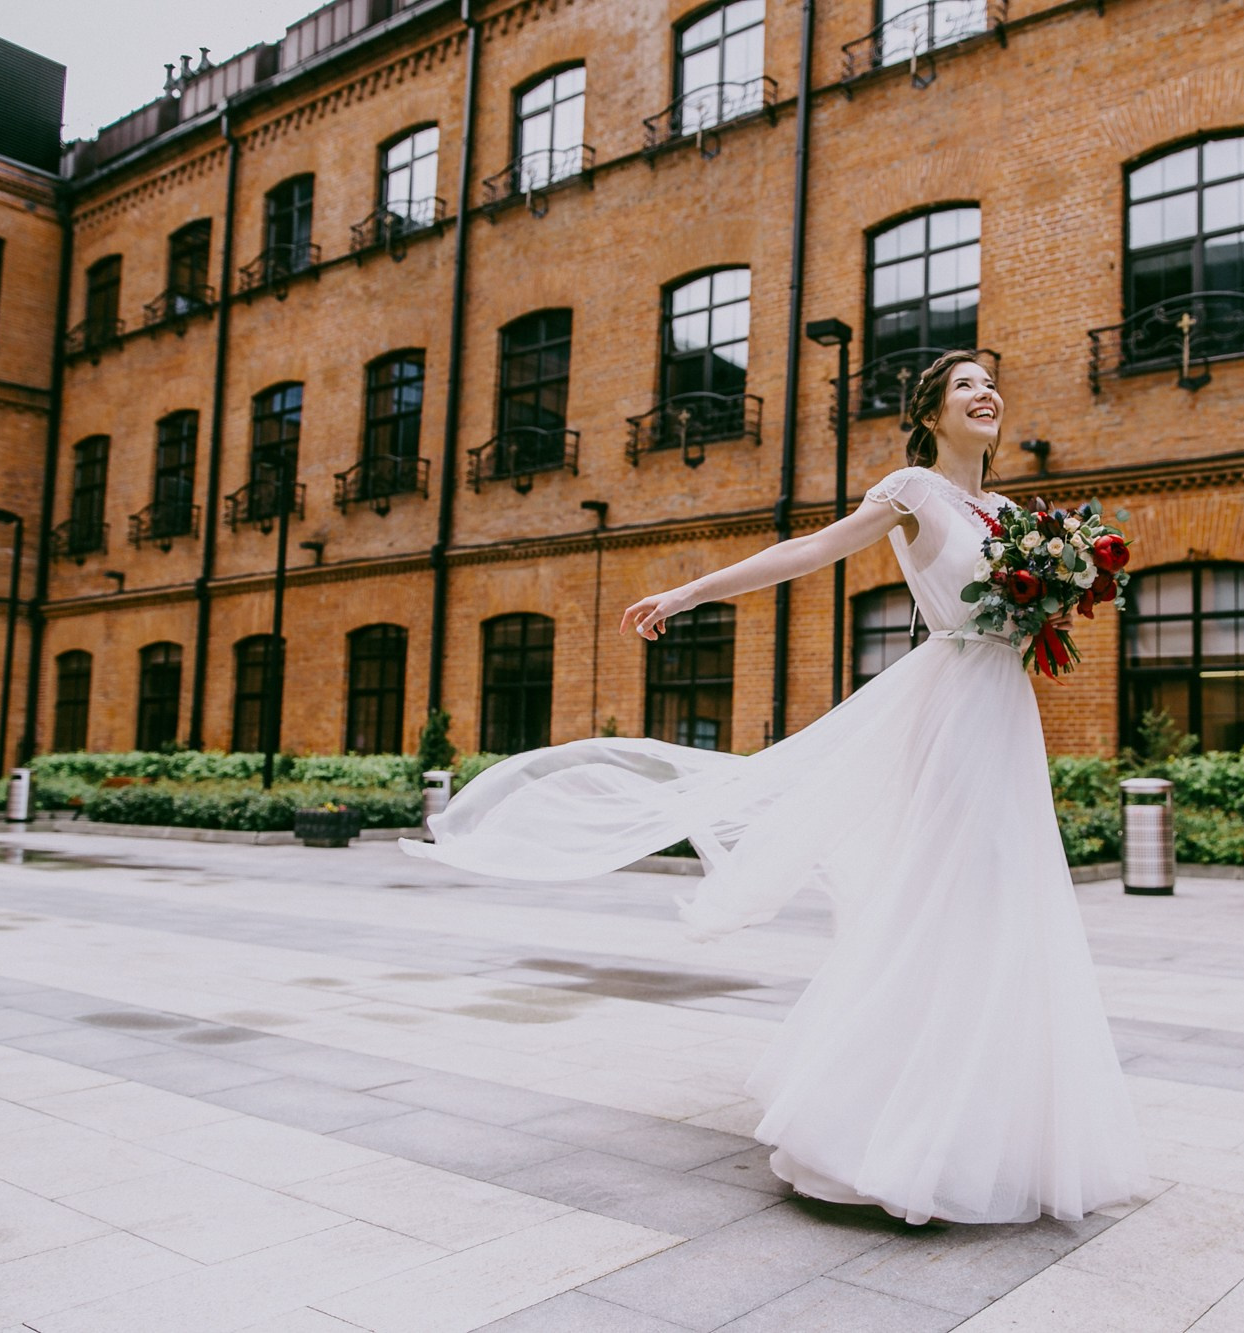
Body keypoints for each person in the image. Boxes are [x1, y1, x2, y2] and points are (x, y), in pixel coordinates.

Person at [404, 351, 1149, 1224]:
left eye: (993, 380)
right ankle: (887, 1126)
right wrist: (691, 591)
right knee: (943, 896)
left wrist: (1060, 588)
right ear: (932, 413)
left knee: (1006, 900)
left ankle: (997, 1132)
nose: (987, 391)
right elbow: (811, 549)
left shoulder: (1016, 514)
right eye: (965, 385)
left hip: (1004, 714)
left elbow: (1031, 622)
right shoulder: (913, 489)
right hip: (947, 715)